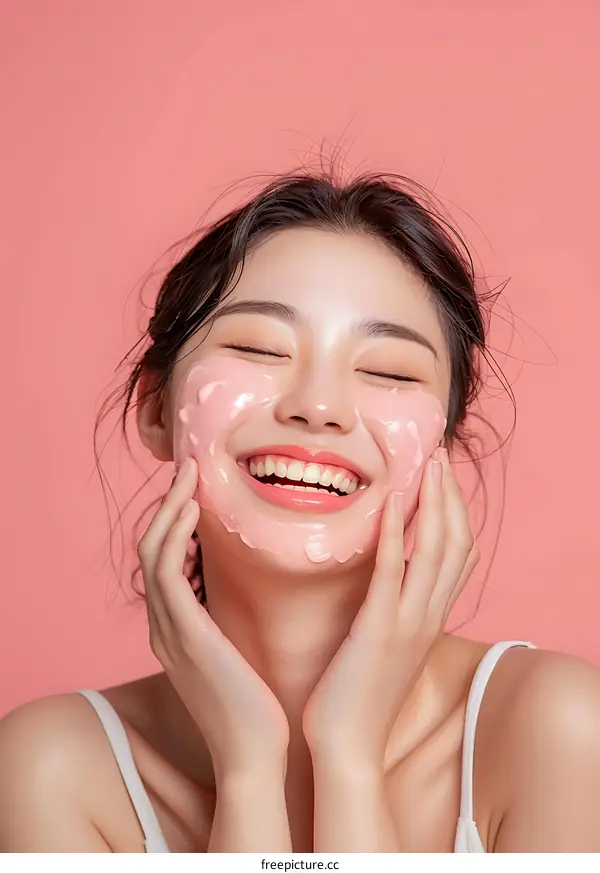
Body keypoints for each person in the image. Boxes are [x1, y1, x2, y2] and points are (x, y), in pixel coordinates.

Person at [2, 170, 600, 854]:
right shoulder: (52, 770)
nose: (317, 405)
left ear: (443, 439)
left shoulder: (556, 731)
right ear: (156, 407)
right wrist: (248, 768)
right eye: (259, 349)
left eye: (389, 371)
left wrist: (347, 756)